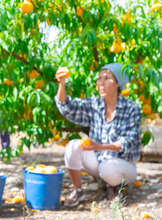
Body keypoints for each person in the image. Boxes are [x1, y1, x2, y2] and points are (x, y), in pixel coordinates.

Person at [55, 63, 141, 207]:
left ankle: (118, 187)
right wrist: (62, 84)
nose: (101, 83)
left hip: (124, 165)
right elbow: (67, 107)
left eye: (106, 79)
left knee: (109, 168)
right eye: (99, 79)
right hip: (100, 162)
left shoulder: (132, 108)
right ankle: (78, 190)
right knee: (72, 146)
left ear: (118, 83)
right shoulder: (95, 104)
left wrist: (100, 146)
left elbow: (128, 142)